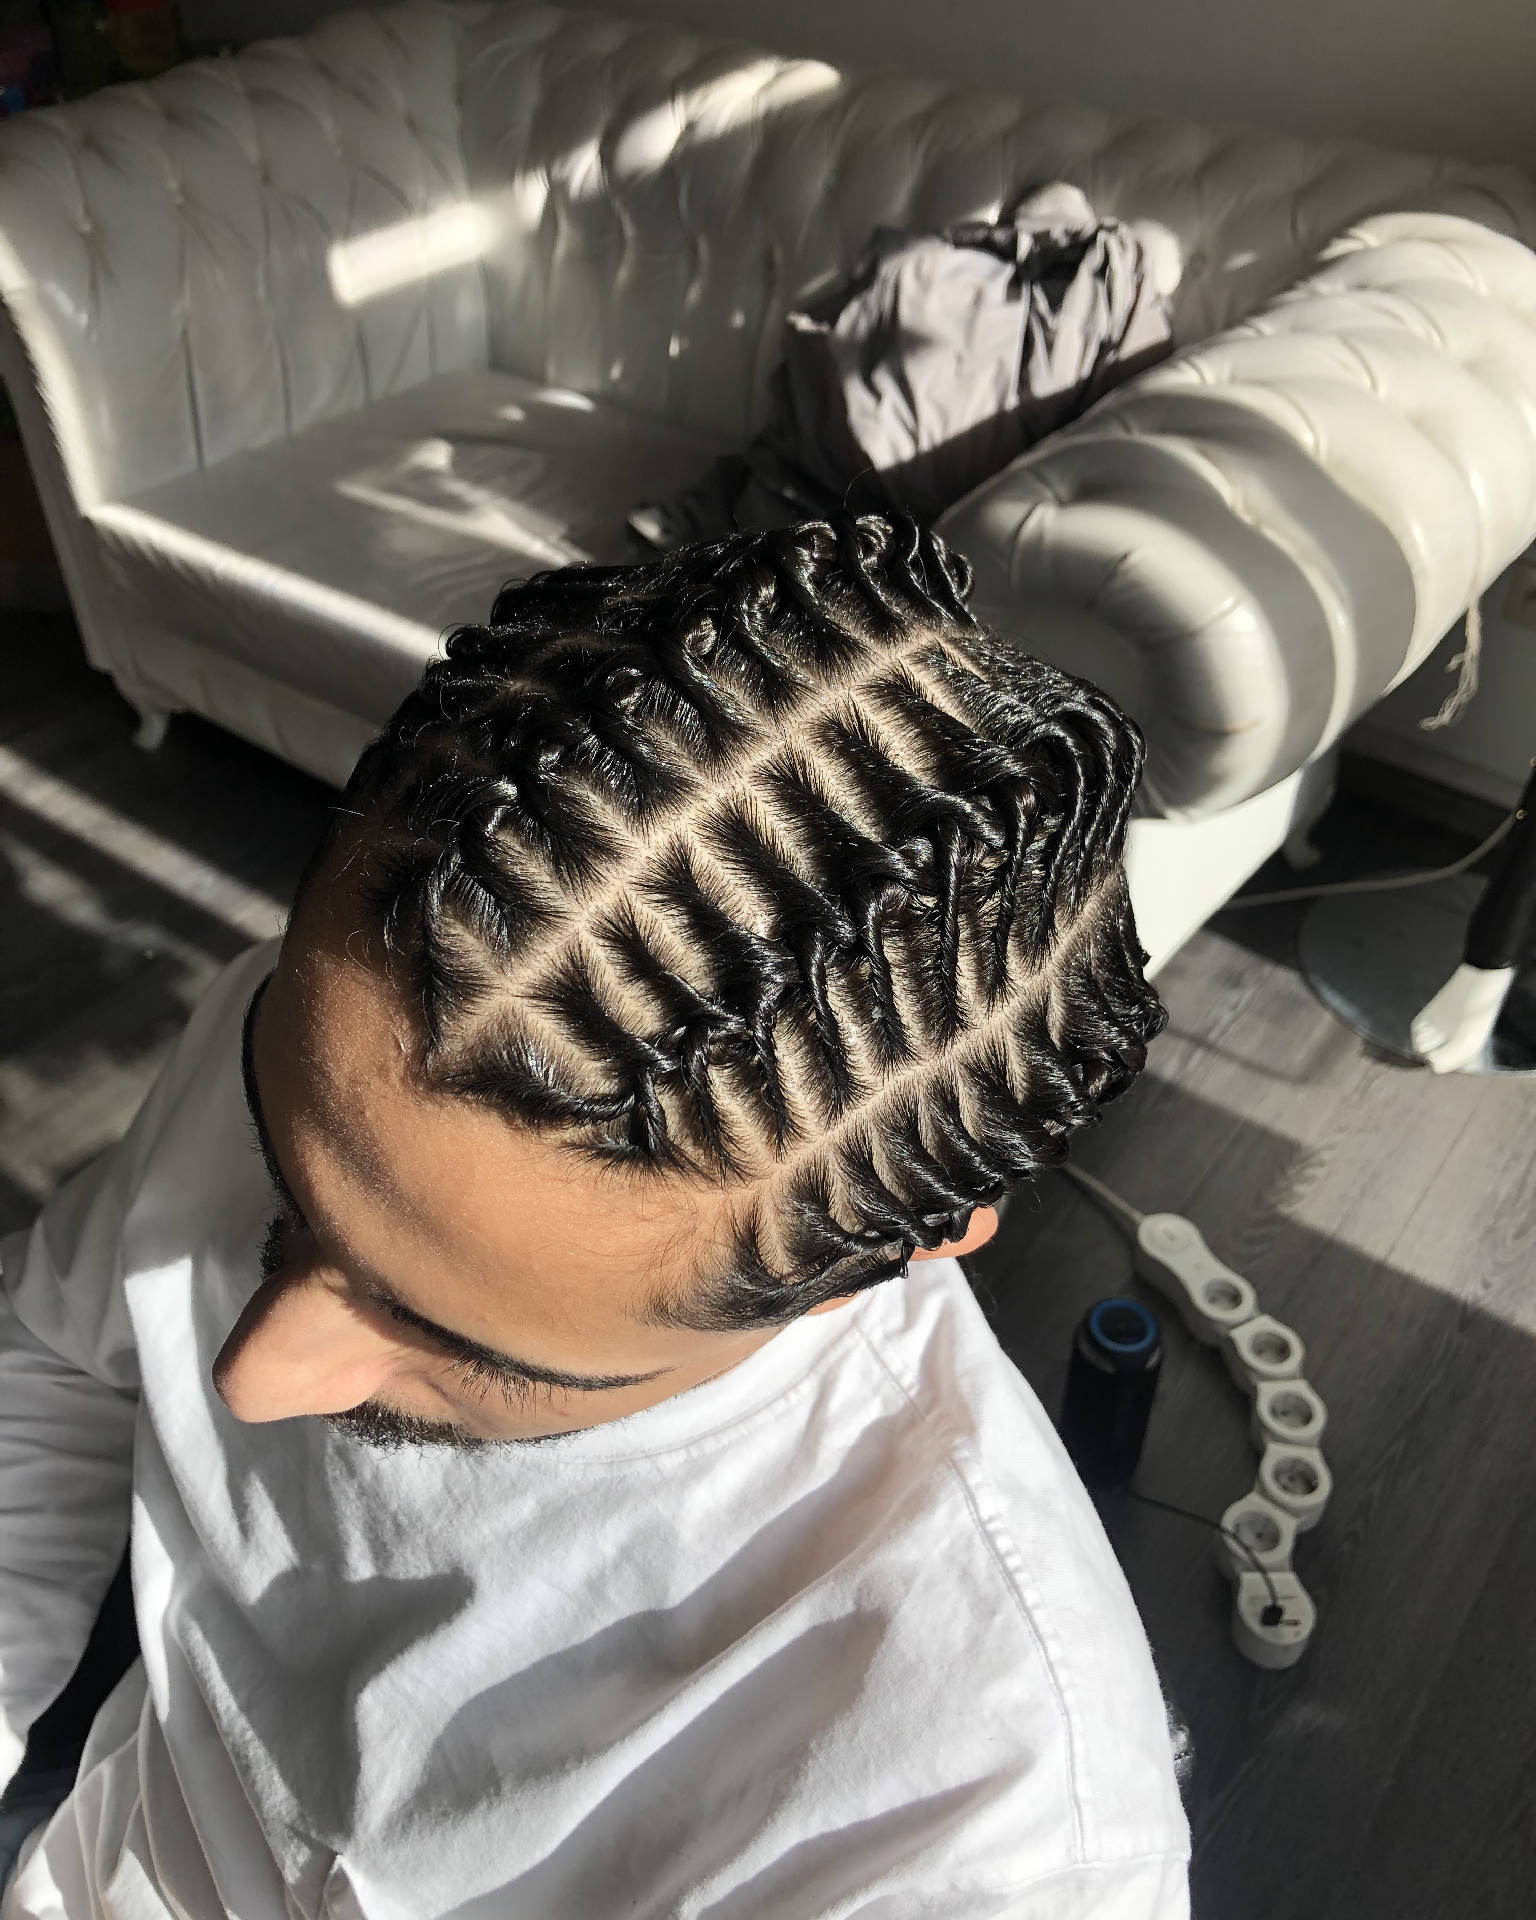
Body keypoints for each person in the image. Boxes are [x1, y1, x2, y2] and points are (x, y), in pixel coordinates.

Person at [0, 517, 1189, 1917]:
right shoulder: (311, 1049)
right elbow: (58, 1354)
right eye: (285, 1191)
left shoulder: (980, 1830)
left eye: (458, 1345)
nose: (249, 1378)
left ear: (862, 1268)